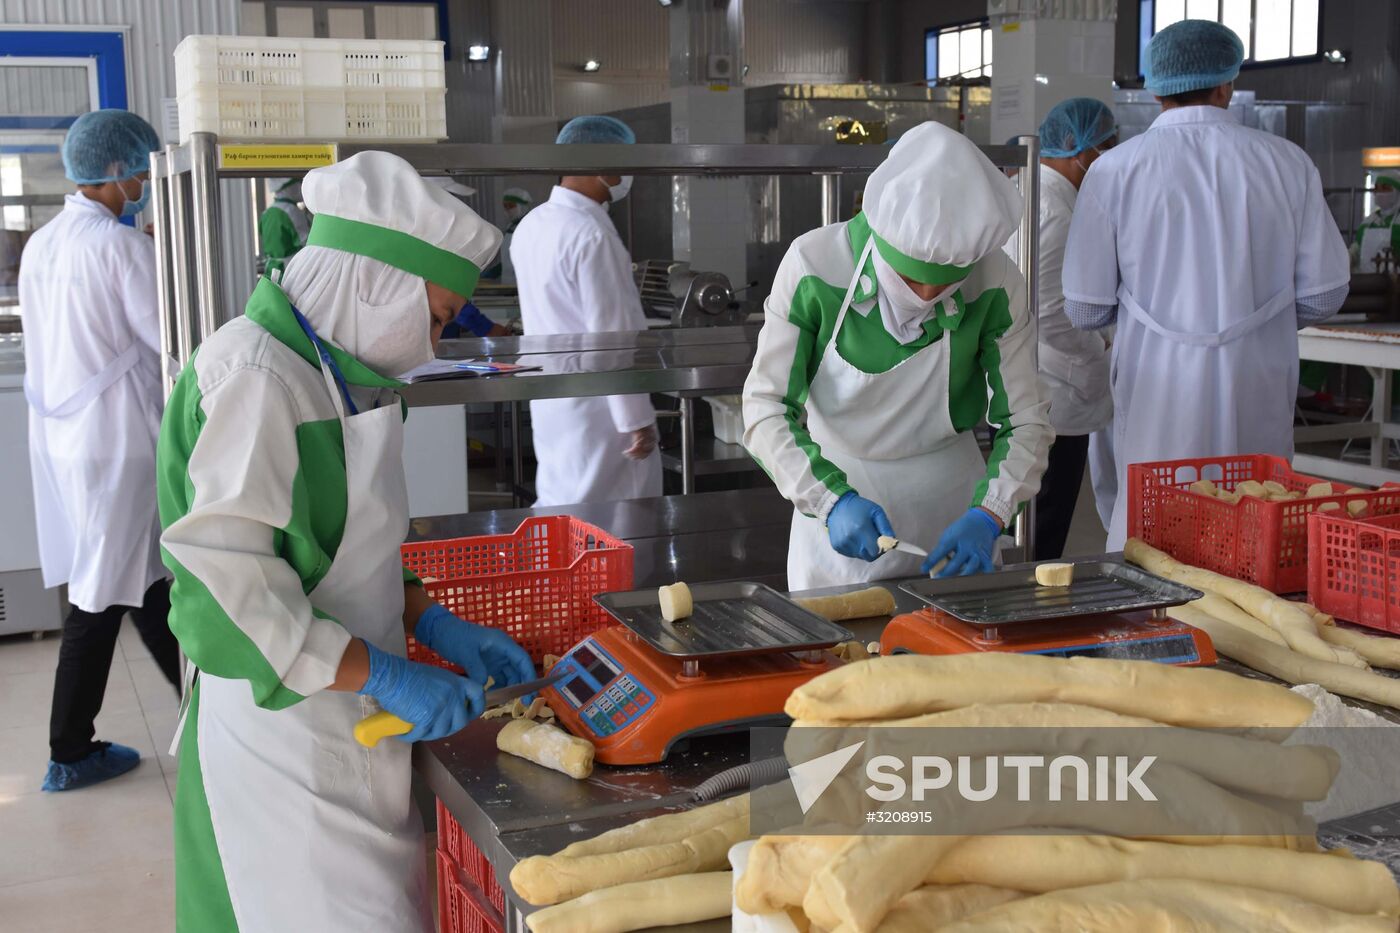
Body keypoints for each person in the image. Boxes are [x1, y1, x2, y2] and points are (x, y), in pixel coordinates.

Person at [156, 151, 534, 932]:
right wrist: (388, 675)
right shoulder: (256, 379)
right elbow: (229, 603)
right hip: (281, 744)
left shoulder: (338, 374)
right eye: (432, 317)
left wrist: (426, 616)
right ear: (373, 283)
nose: (432, 345)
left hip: (346, 722)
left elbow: (341, 545)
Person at [1062, 19, 1350, 551]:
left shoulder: (1114, 171)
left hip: (1157, 382)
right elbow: (1324, 294)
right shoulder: (1287, 163)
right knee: (1255, 521)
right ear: (1227, 83)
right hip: (1258, 375)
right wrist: (1256, 319)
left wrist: (1160, 323)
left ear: (1153, 87)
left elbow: (1084, 306)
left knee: (1155, 531)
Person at [744, 121, 1052, 589]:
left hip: (953, 507)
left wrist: (991, 514)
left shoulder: (995, 280)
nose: (927, 295)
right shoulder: (814, 266)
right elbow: (765, 407)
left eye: (946, 281)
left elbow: (1027, 420)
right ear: (880, 238)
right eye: (910, 279)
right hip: (839, 504)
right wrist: (830, 502)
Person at [20, 109, 182, 792]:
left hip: (69, 439)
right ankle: (69, 749)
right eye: (142, 169)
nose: (145, 181)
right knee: (100, 593)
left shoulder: (43, 243)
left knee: (143, 582)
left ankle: (203, 710)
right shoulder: (120, 248)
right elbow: (167, 338)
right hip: (119, 443)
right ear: (116, 172)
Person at [510, 115, 661, 506]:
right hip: (600, 410)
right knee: (610, 519)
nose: (628, 174)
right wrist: (636, 420)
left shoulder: (533, 223)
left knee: (562, 504)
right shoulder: (591, 234)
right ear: (603, 164)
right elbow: (613, 336)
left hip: (552, 399)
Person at [1004, 98, 1117, 557]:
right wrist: (1097, 344)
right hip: (1055, 388)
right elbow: (1047, 309)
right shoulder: (1054, 211)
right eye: (1106, 147)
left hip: (1030, 381)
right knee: (1042, 526)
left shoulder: (1030, 194)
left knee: (1024, 520)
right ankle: (1026, 609)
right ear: (1083, 149)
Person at [258, 177, 311, 267]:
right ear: (288, 187)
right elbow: (307, 243)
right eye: (298, 182)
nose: (300, 186)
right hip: (291, 268)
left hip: (271, 268)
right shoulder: (291, 211)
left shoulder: (266, 213)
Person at [1355, 171, 1400, 271]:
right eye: (1377, 189)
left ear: (1397, 192)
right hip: (1369, 279)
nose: (1379, 192)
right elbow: (1357, 247)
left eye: (1385, 188)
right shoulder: (1369, 221)